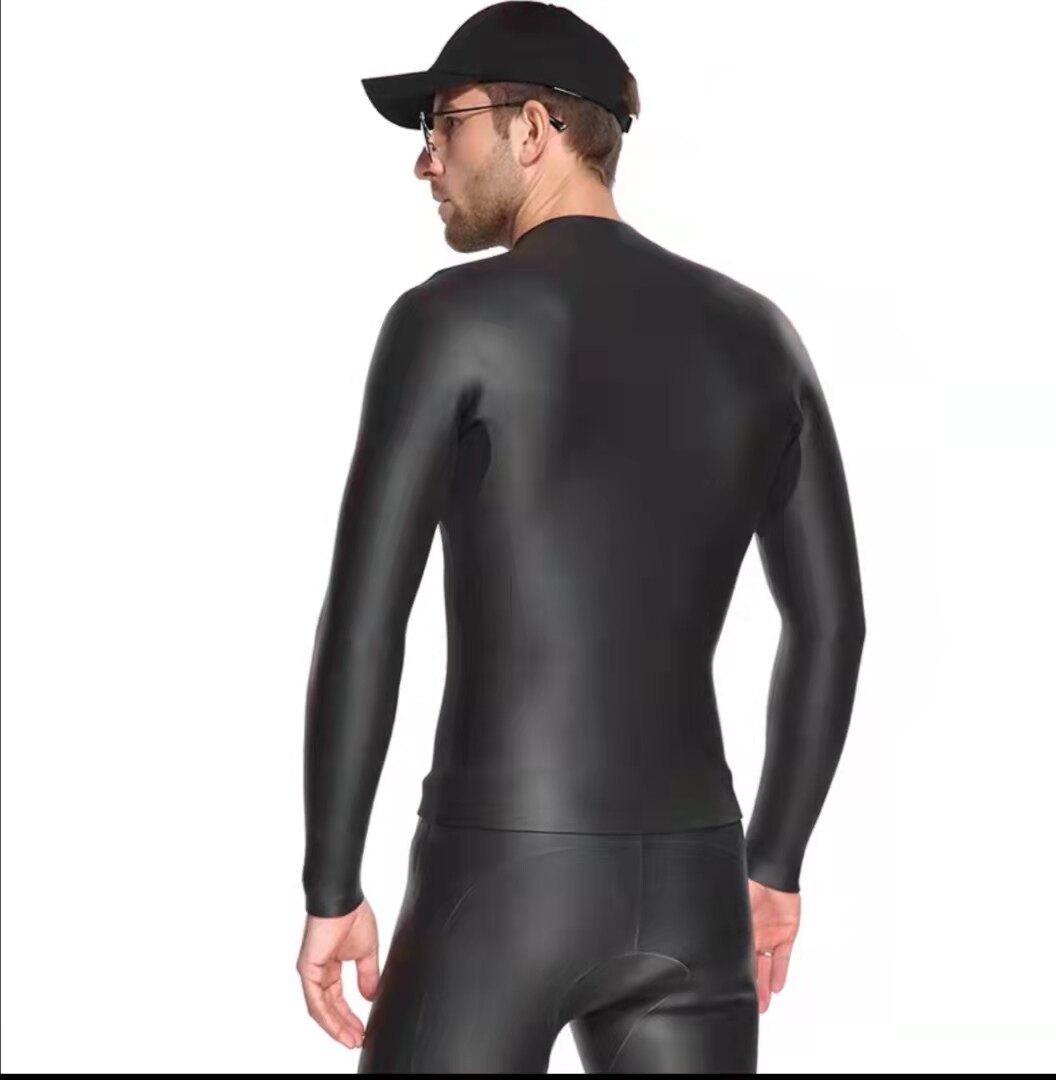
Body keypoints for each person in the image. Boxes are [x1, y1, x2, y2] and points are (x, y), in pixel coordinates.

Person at [296, 2, 866, 1072]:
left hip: (501, 880)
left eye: (443, 123)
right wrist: (776, 859)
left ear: (532, 129)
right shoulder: (759, 335)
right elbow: (832, 626)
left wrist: (332, 886)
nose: (425, 161)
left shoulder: (451, 320)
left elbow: (367, 621)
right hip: (695, 891)